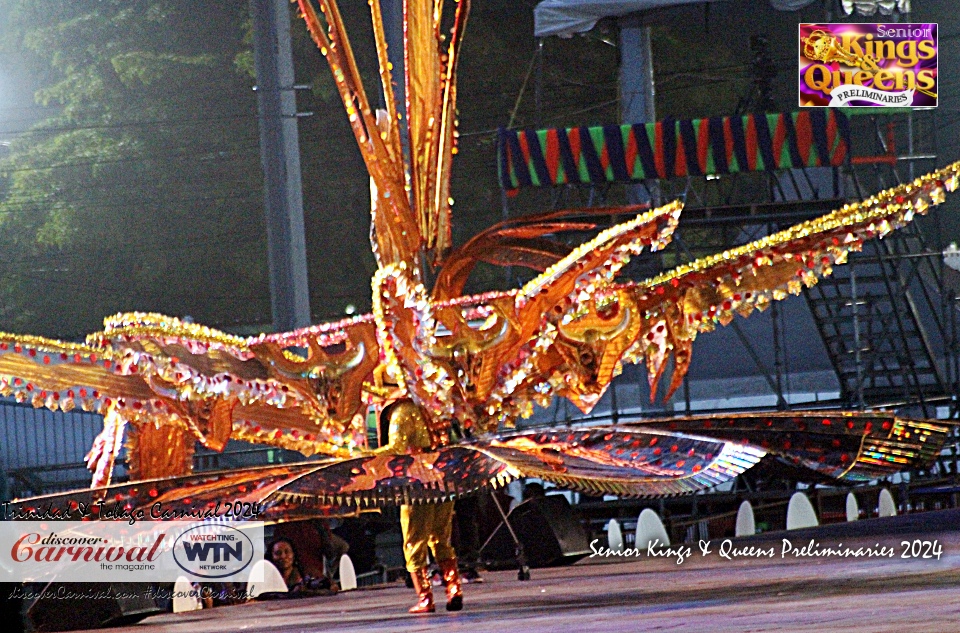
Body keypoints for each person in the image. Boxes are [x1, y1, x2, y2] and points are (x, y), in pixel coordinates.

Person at [378, 400, 462, 614]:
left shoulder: (403, 410)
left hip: (418, 482)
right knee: (441, 539)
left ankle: (425, 598)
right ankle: (454, 589)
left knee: (414, 542)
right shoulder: (435, 405)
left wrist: (364, 456)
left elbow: (396, 448)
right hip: (444, 478)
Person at [265, 537, 337, 597]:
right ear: (271, 556)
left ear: (293, 554)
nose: (283, 556)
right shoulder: (265, 578)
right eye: (278, 553)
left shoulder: (308, 573)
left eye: (287, 552)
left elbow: (332, 587)